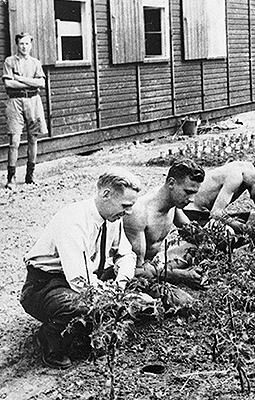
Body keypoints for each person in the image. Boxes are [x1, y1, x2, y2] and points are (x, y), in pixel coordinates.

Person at [20, 169, 141, 368]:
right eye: (125, 205)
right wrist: (113, 298)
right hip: (45, 285)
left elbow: (126, 254)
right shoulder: (73, 219)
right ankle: (50, 339)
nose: (128, 212)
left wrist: (121, 283)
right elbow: (80, 281)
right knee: (80, 307)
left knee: (136, 288)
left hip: (88, 276)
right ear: (106, 194)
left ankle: (83, 332)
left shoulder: (113, 218)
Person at [123, 160, 205, 286]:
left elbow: (195, 236)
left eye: (194, 193)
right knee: (183, 301)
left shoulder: (173, 203)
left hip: (155, 264)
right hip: (137, 269)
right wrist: (181, 275)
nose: (192, 200)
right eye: (188, 192)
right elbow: (137, 269)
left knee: (195, 247)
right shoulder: (140, 213)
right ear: (171, 183)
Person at [184, 161, 255, 232]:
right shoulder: (236, 177)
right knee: (232, 233)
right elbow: (216, 213)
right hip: (192, 214)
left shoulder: (250, 172)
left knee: (251, 217)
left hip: (205, 213)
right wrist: (244, 228)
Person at [3, 32, 48, 189]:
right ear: (17, 44)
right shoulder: (9, 61)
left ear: (31, 45)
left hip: (33, 103)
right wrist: (31, 83)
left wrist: (20, 79)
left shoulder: (36, 63)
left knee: (33, 139)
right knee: (14, 141)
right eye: (21, 43)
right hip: (15, 103)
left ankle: (30, 176)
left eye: (27, 43)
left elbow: (41, 83)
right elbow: (9, 85)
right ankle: (11, 178)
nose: (24, 46)